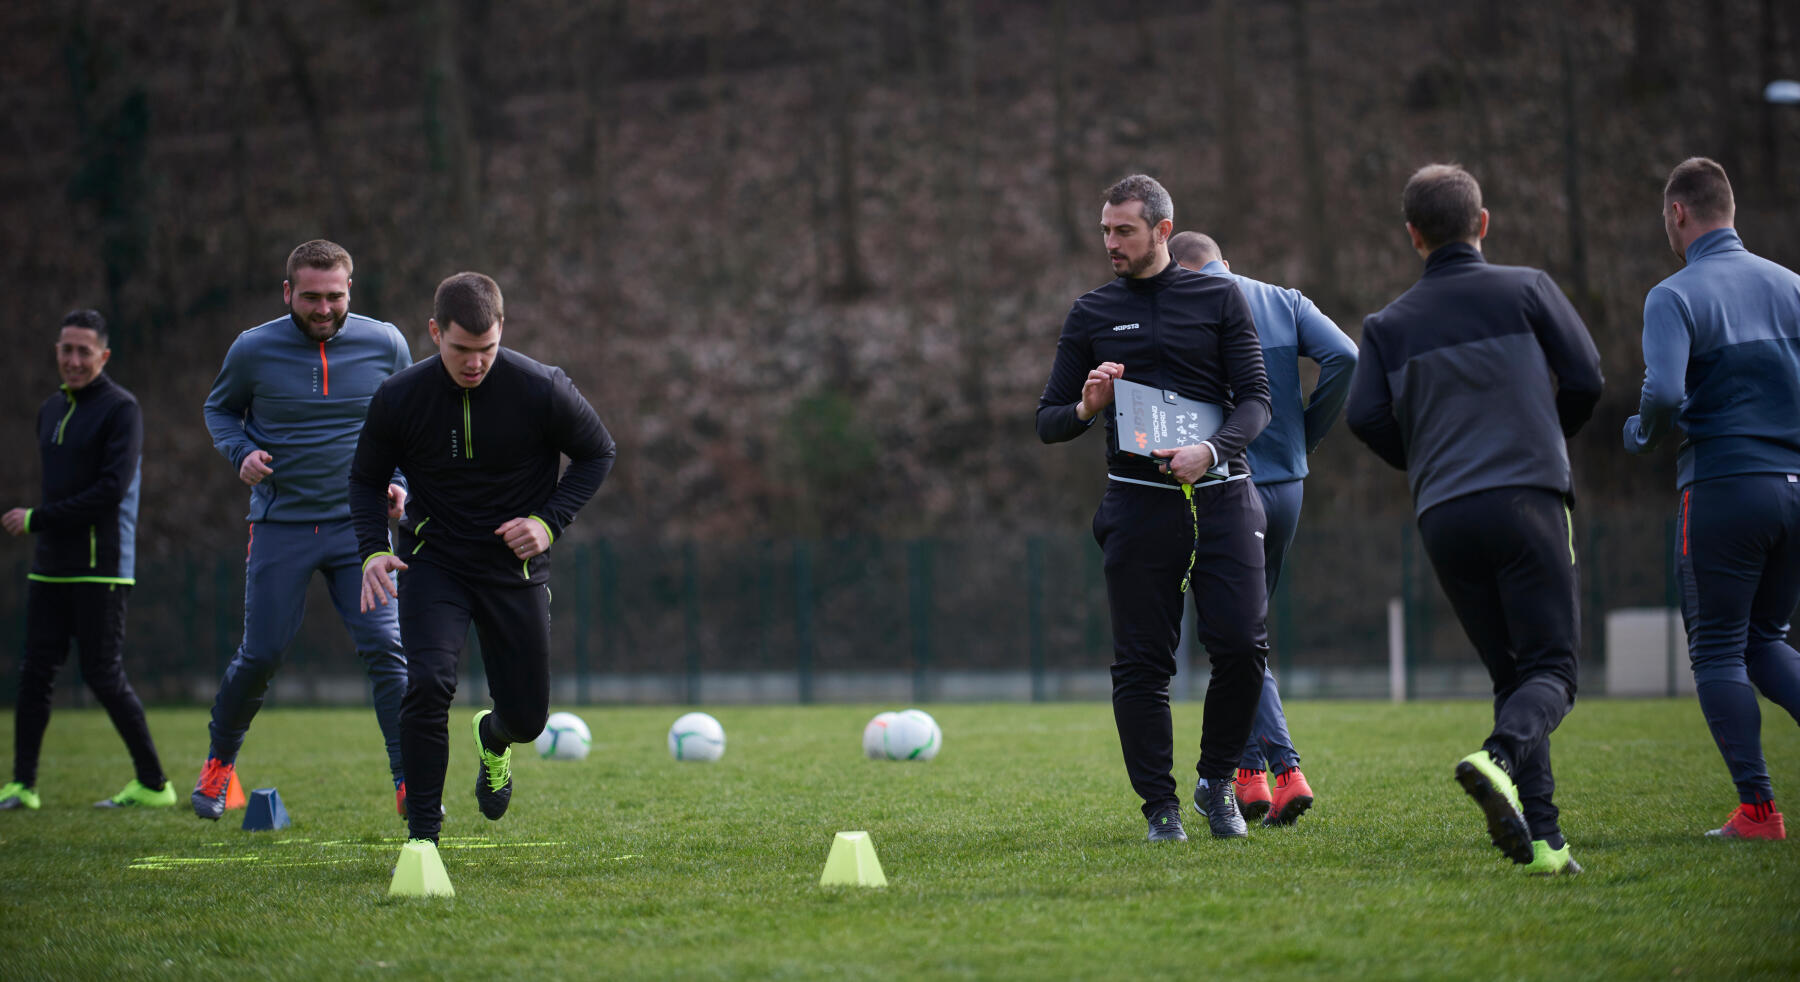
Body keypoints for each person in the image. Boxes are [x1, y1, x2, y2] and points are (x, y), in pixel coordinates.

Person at [1346, 164, 1603, 875]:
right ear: (1481, 223)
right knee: (1553, 670)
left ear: (1412, 236)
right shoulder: (1527, 289)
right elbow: (1588, 378)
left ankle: (1547, 843)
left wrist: (1422, 458)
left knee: (1512, 673)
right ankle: (1495, 759)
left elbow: (1363, 415)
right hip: (1527, 497)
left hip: (1444, 513)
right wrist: (1545, 435)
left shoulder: (1387, 325)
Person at [352, 272, 615, 869]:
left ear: (503, 333)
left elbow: (598, 452)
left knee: (528, 718)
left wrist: (548, 522)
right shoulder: (400, 396)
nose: (474, 363)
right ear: (434, 332)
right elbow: (366, 478)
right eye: (460, 349)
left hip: (512, 569)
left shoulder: (541, 387)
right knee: (426, 684)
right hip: (434, 561)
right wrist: (373, 547)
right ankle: (422, 837)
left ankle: (494, 740)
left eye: (487, 349)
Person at [1037, 175, 1272, 843]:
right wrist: (1087, 406)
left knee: (1241, 646)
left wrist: (1212, 448)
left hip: (1222, 493)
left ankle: (1217, 781)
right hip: (1138, 506)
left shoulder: (1219, 297)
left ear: (1162, 231)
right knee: (1143, 663)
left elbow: (1257, 399)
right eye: (1106, 230)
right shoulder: (1091, 312)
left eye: (1124, 231)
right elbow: (1048, 420)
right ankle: (1159, 809)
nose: (1111, 242)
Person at [194, 240, 413, 820]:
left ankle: (407, 778)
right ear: (288, 292)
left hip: (359, 530)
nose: (323, 308)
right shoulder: (253, 349)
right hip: (281, 525)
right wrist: (240, 451)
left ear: (350, 292)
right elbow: (220, 410)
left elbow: (410, 423)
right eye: (311, 296)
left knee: (388, 650)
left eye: (334, 296)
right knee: (261, 654)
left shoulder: (386, 343)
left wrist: (399, 484)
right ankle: (219, 765)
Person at [1623, 157, 1800, 842]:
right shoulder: (1791, 286)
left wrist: (1643, 432)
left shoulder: (1676, 294)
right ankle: (1755, 808)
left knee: (1721, 648)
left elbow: (1664, 394)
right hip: (1795, 485)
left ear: (1678, 214)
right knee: (1767, 640)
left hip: (1726, 487)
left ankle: (1757, 810)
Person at [1170, 230, 1357, 827]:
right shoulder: (1286, 300)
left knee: (1232, 640)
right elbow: (1345, 357)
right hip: (1288, 489)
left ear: (1183, 268)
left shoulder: (1185, 307)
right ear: (1226, 261)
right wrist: (1307, 433)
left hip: (1228, 486)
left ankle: (1280, 764)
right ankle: (1248, 777)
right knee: (1246, 637)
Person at [0, 310, 173, 811]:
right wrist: (43, 529)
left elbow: (110, 491)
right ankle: (22, 786)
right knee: (33, 673)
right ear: (56, 352)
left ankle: (154, 784)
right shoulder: (50, 409)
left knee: (103, 675)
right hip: (48, 565)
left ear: (104, 356)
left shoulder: (122, 409)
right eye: (66, 349)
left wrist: (37, 519)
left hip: (102, 566)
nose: (73, 360)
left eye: (83, 351)